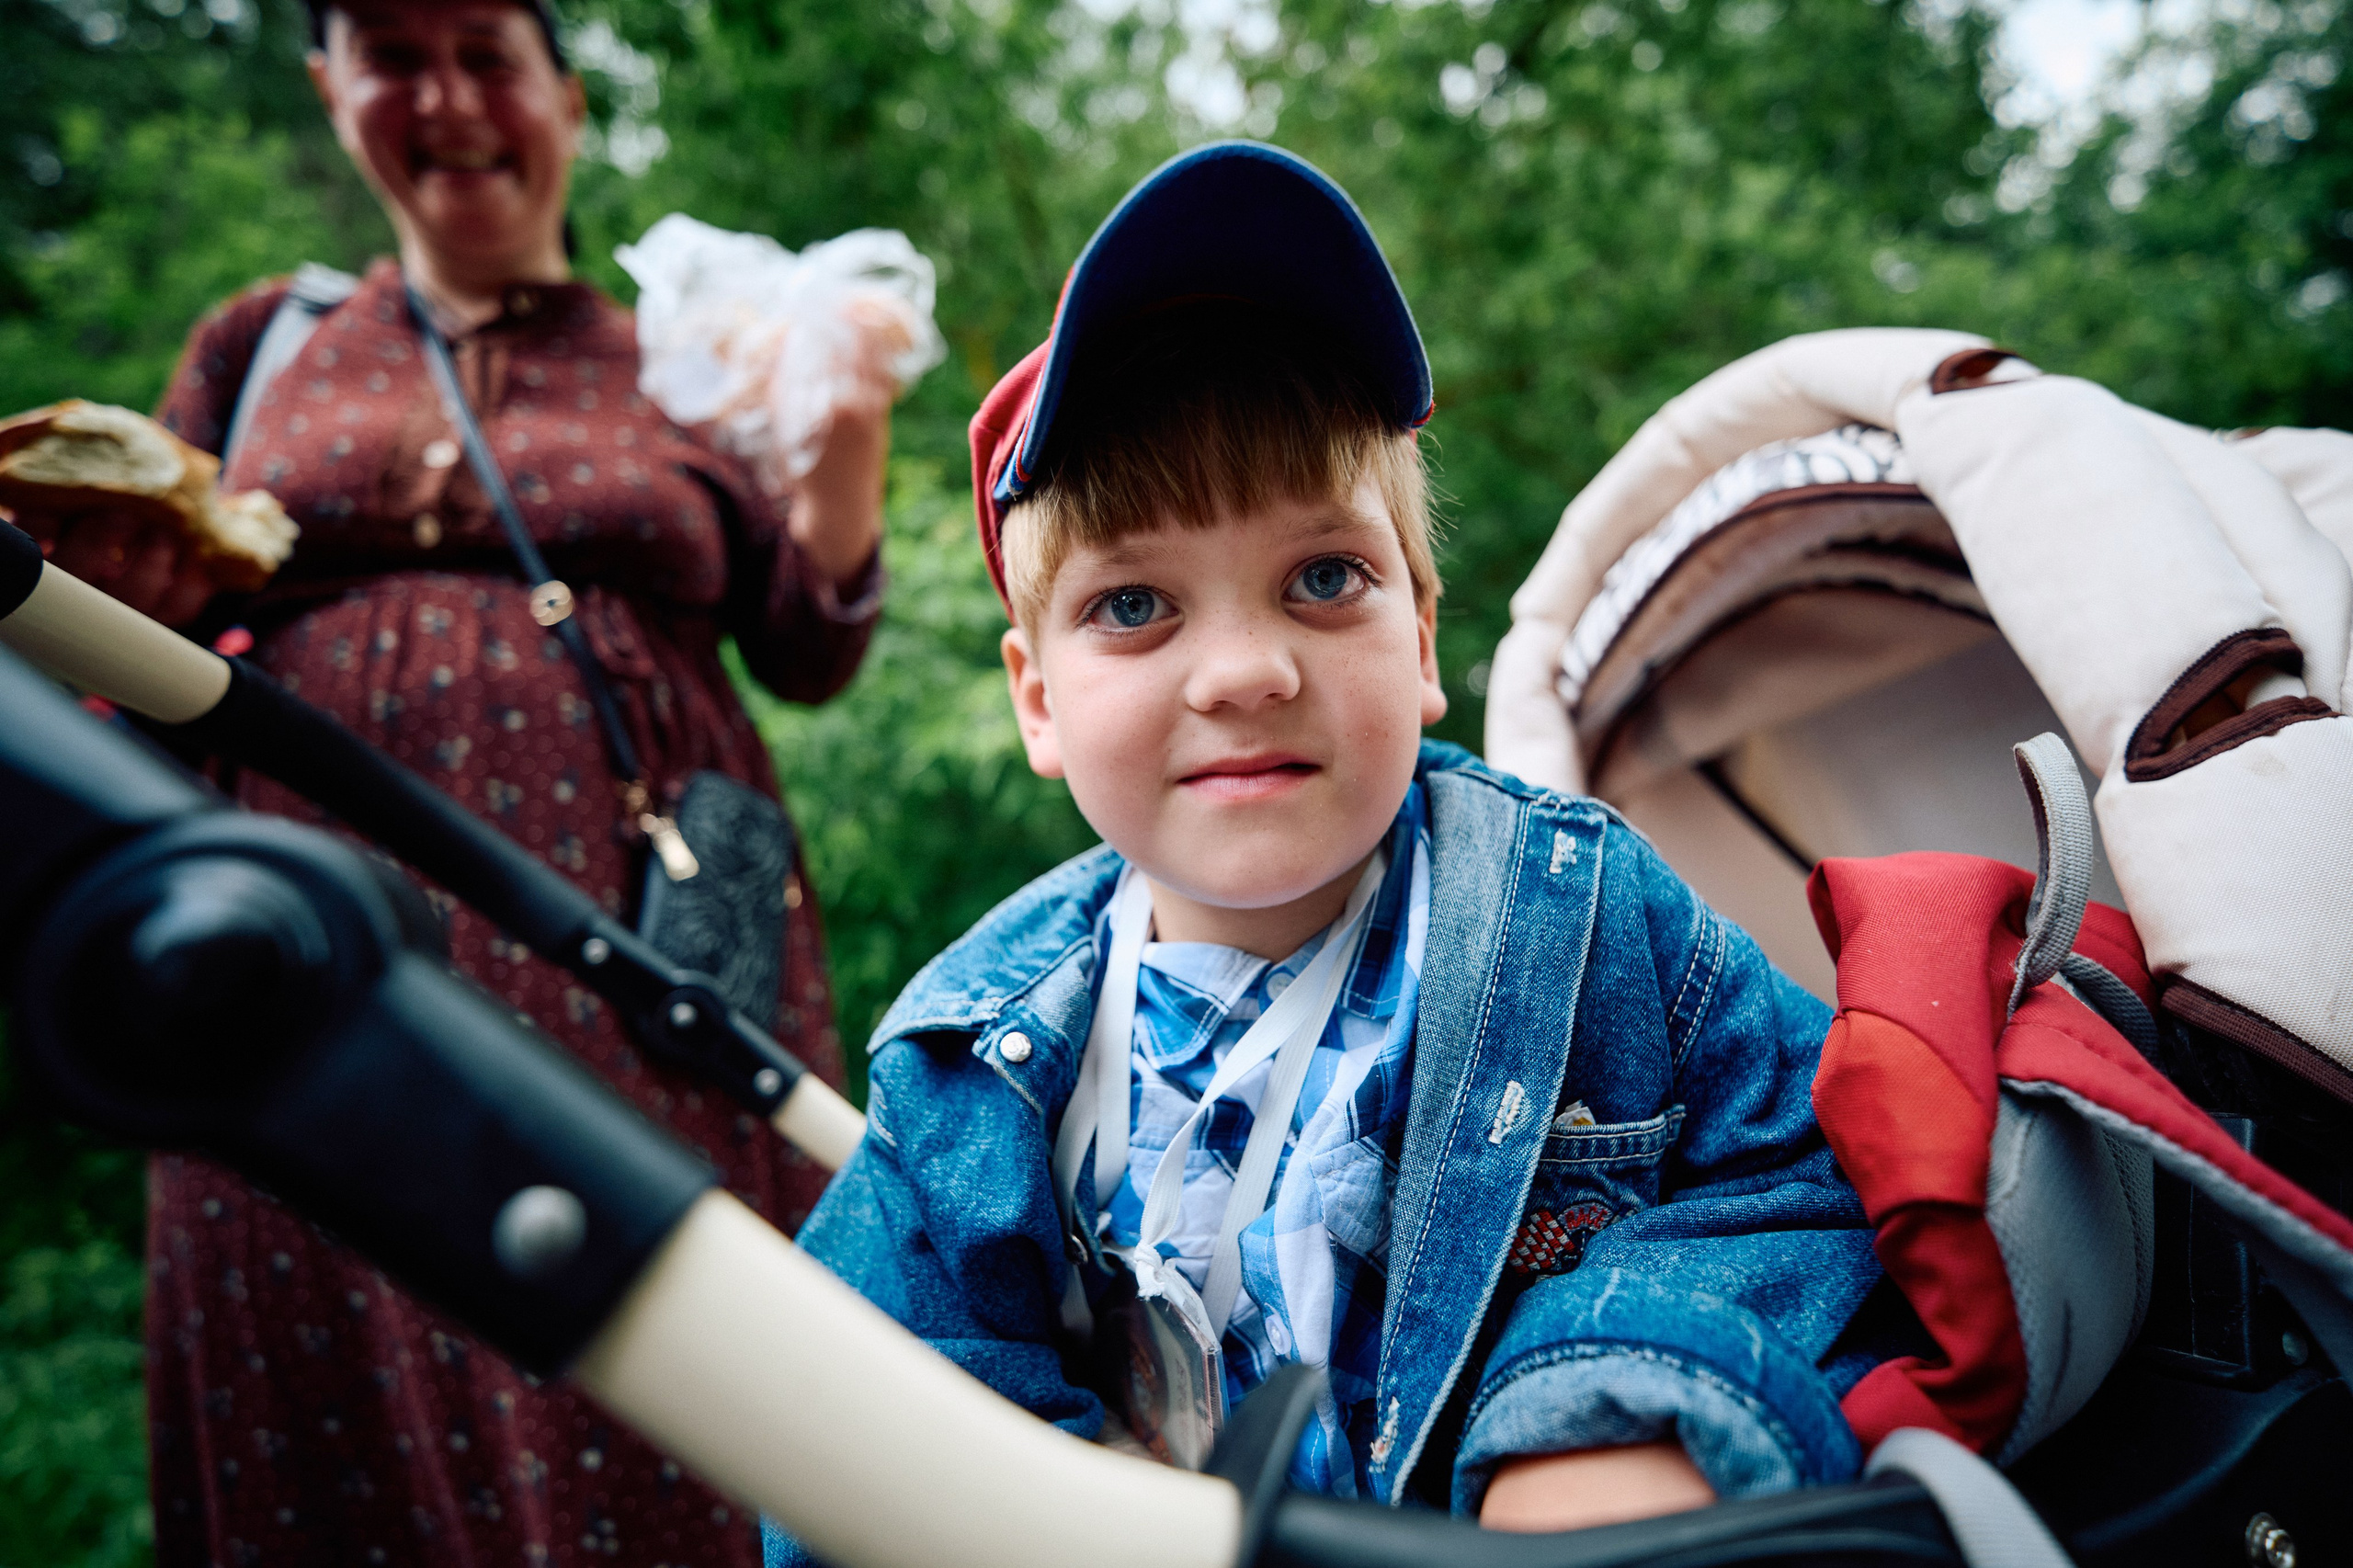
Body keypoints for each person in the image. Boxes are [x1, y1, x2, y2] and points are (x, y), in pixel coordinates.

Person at [764, 142, 1897, 1566]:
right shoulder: (968, 1067)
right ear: (1037, 699)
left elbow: (1811, 1164)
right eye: (1134, 605)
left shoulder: (1586, 918)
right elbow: (862, 1419)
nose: (1244, 670)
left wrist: (1613, 1392)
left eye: (1322, 579)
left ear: (1420, 640)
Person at [11, 1, 887, 1562]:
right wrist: (125, 600)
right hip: (295, 958)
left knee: (669, 1370)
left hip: (630, 958)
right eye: (394, 58)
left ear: (563, 92)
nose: (449, 98)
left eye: (488, 53)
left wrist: (839, 461)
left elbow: (808, 643)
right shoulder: (263, 341)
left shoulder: (677, 360)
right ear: (330, 92)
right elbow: (136, 651)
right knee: (328, 1377)